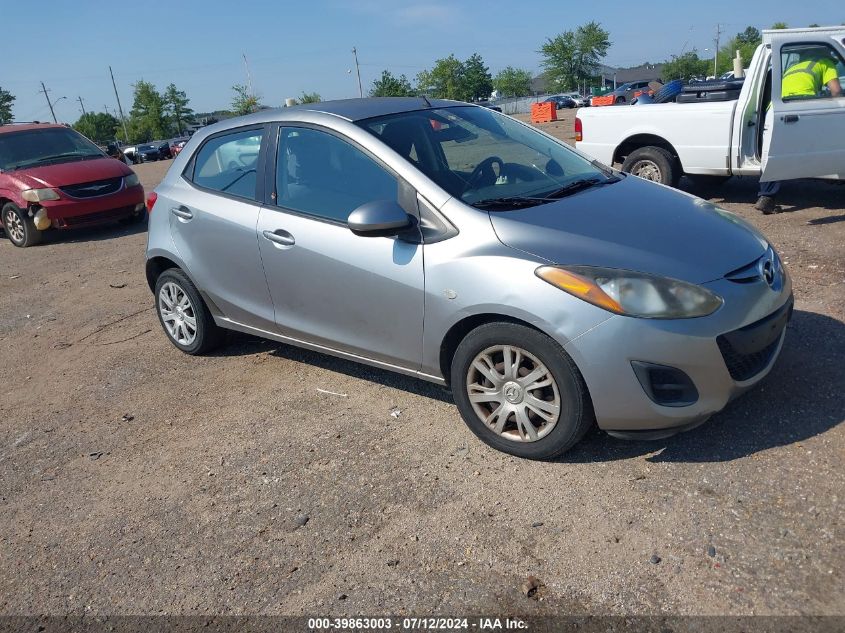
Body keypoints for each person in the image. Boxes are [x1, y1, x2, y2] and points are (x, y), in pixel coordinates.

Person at [756, 51, 842, 214]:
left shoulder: (794, 66)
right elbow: (836, 91)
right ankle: (832, 172)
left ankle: (766, 197)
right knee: (827, 138)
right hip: (801, 106)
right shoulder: (825, 62)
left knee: (774, 154)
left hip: (775, 109)